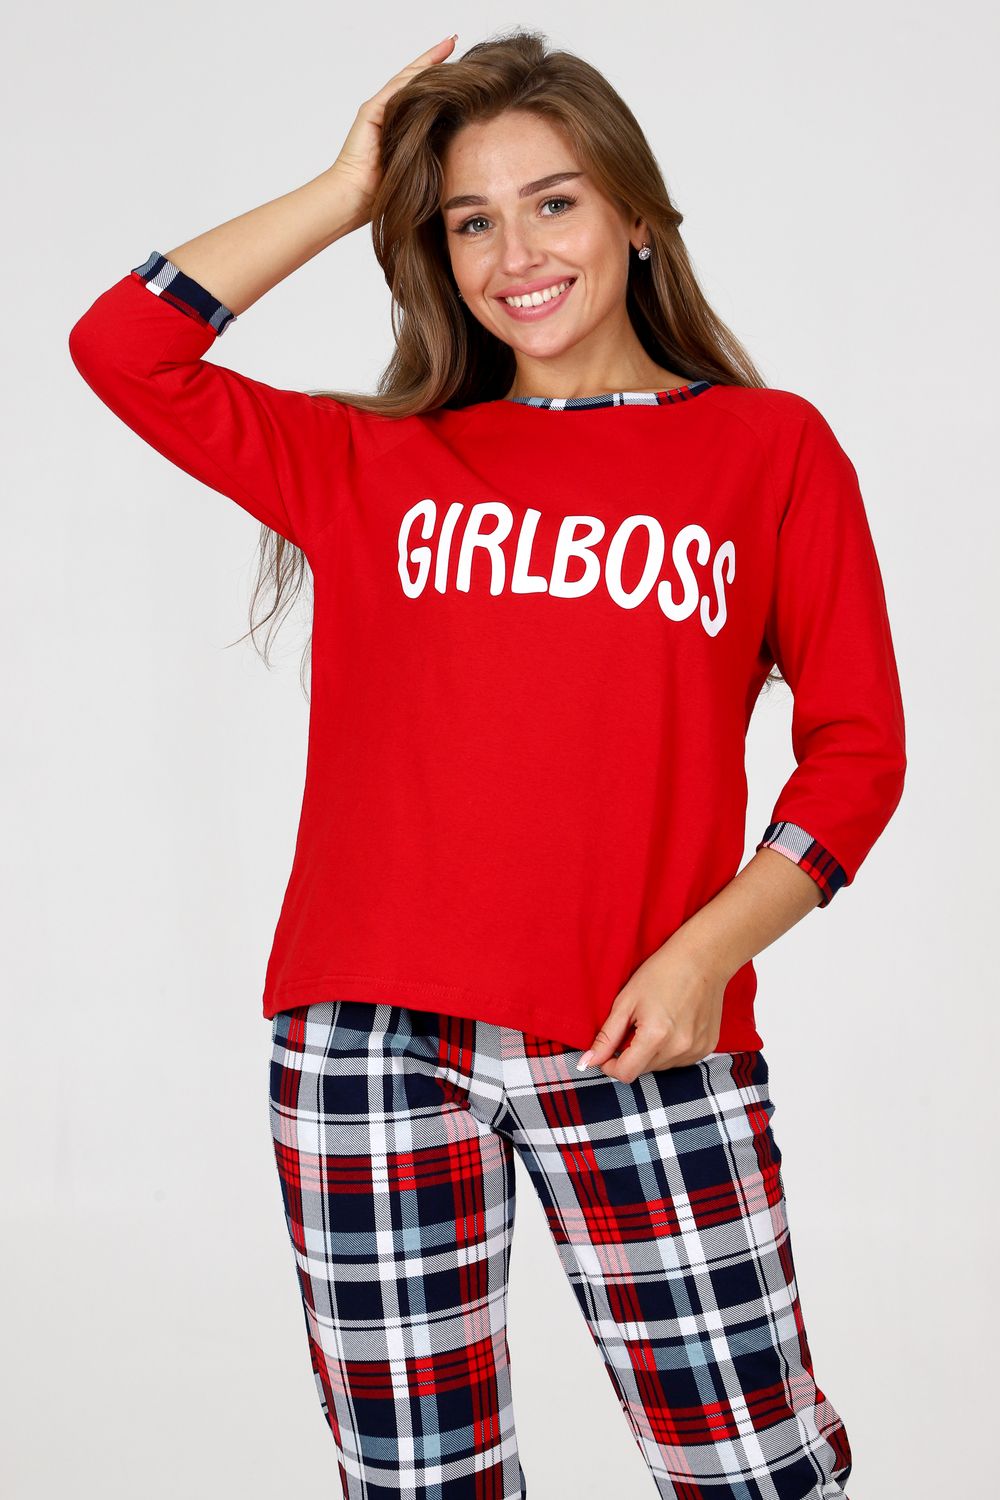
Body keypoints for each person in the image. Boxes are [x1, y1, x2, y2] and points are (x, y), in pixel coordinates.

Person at [67, 28, 905, 1500]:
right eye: (468, 220)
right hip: (367, 1042)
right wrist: (348, 189)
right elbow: (121, 349)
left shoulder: (768, 451)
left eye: (554, 202)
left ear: (636, 215)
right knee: (418, 1484)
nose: (515, 253)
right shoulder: (372, 462)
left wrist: (709, 952)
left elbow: (858, 753)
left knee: (755, 1471)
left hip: (642, 1027)